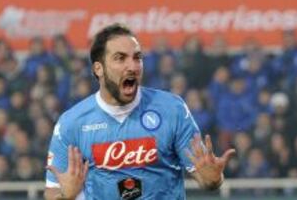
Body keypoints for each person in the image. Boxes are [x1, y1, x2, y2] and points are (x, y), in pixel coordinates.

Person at [44, 23, 235, 200]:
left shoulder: (171, 109)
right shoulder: (72, 123)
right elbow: (52, 191)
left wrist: (214, 178)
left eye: (137, 58)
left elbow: (206, 178)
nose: (133, 66)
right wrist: (65, 197)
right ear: (98, 68)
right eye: (120, 58)